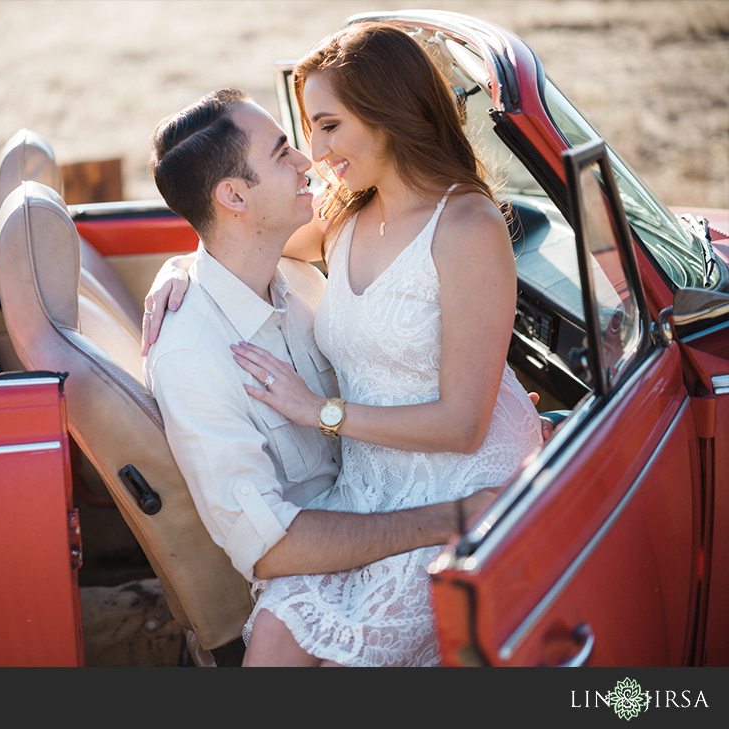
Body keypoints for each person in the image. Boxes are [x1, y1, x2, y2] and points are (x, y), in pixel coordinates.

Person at [144, 22, 545, 667]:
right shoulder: (345, 215)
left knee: (329, 654)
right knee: (276, 638)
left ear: (386, 115)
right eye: (303, 132)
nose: (312, 151)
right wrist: (176, 273)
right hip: (369, 480)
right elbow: (231, 243)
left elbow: (465, 425)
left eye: (327, 126)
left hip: (465, 470)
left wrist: (319, 413)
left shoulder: (466, 225)